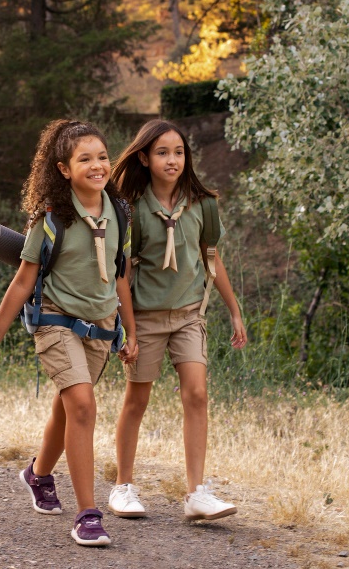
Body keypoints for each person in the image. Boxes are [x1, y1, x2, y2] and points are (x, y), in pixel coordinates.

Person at [0, 119, 138, 547]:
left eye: (102, 157)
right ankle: (87, 514)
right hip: (55, 321)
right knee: (83, 404)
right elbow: (22, 280)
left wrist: (131, 331)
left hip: (101, 327)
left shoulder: (120, 213)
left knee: (68, 404)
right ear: (63, 169)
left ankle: (37, 475)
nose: (97, 165)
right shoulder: (52, 218)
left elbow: (121, 278)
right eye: (84, 159)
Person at [108, 119, 247, 521]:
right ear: (144, 158)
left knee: (197, 394)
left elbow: (211, 257)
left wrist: (234, 311)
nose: (173, 160)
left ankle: (196, 493)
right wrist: (126, 329)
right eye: (163, 152)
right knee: (138, 399)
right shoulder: (130, 208)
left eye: (179, 152)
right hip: (145, 317)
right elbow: (124, 273)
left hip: (189, 315)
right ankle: (124, 486)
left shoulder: (202, 203)